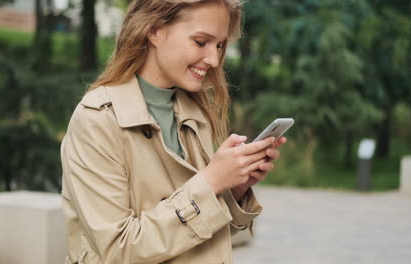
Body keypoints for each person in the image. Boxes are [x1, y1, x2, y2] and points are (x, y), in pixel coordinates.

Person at [60, 0, 286, 263]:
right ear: (155, 30)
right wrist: (211, 182)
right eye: (201, 42)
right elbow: (117, 250)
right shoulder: (97, 120)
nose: (214, 59)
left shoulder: (194, 111)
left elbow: (195, 235)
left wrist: (233, 187)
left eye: (220, 45)